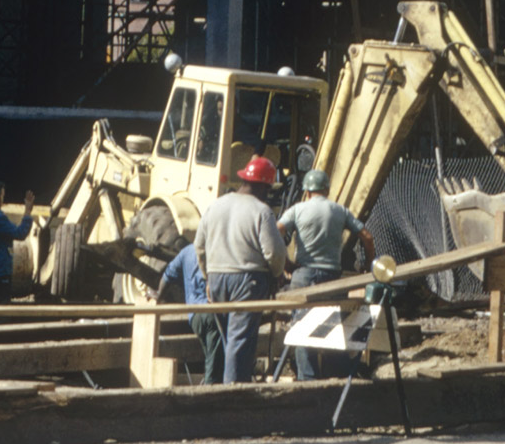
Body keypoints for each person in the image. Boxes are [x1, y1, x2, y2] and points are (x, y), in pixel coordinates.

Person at [193, 154, 285, 383]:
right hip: (247, 280)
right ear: (264, 187)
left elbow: (199, 246)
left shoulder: (215, 206)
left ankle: (219, 389)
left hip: (216, 279)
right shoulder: (262, 211)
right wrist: (277, 274)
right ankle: (234, 397)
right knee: (239, 342)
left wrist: (207, 278)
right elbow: (274, 253)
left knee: (227, 340)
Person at [277, 168, 370, 379]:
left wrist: (284, 263)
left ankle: (307, 380)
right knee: (332, 325)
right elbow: (367, 236)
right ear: (327, 190)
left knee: (302, 328)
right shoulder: (340, 211)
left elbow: (275, 231)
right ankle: (334, 374)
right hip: (331, 278)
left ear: (307, 191)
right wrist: (366, 265)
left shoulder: (296, 210)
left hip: (302, 275)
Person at [157, 236, 222, 385]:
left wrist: (159, 295)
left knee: (211, 356)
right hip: (213, 314)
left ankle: (209, 384)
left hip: (194, 316)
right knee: (215, 359)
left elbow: (168, 275)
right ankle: (210, 391)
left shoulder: (186, 252)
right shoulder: (217, 250)